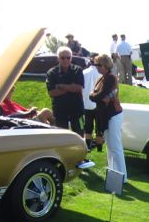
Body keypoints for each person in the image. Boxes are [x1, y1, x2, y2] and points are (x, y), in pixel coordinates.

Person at [91, 53, 126, 183]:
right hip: (106, 115)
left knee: (115, 146)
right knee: (110, 147)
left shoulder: (110, 77)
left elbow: (99, 96)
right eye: (96, 64)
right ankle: (113, 175)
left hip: (113, 114)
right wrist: (96, 96)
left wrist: (94, 96)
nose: (96, 67)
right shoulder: (103, 78)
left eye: (99, 65)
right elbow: (97, 95)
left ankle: (122, 178)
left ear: (106, 65)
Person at [46, 47, 85, 136]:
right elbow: (52, 92)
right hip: (60, 110)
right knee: (61, 135)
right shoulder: (51, 73)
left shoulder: (77, 70)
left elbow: (78, 88)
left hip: (76, 109)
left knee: (80, 132)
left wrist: (60, 86)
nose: (65, 60)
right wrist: (70, 87)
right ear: (58, 58)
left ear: (71, 58)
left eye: (68, 57)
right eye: (63, 57)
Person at [81, 55, 101, 150]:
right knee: (99, 128)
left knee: (88, 128)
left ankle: (88, 146)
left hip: (86, 103)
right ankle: (99, 147)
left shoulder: (83, 73)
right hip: (97, 104)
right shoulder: (101, 73)